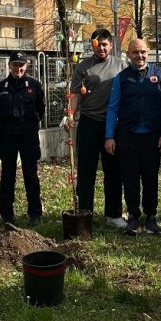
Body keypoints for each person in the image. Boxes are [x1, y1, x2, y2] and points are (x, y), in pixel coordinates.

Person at [104, 38, 161, 235]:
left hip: (152, 136)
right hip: (127, 136)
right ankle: (133, 216)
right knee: (130, 178)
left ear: (148, 52)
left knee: (150, 178)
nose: (139, 56)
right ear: (128, 54)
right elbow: (112, 107)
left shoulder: (160, 75)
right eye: (135, 52)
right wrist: (109, 136)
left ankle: (151, 217)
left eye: (142, 52)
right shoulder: (121, 78)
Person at [64, 29, 127, 227]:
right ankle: (85, 212)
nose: (101, 47)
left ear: (111, 45)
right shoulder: (83, 67)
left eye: (105, 44)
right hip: (89, 123)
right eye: (98, 44)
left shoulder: (121, 65)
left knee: (113, 170)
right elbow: (74, 95)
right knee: (86, 171)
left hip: (113, 125)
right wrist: (70, 115)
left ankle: (114, 214)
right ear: (92, 45)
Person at [0, 51, 45, 225]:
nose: (18, 68)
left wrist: (31, 123)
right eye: (15, 64)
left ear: (26, 66)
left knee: (31, 174)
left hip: (28, 135)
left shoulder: (35, 86)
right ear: (9, 65)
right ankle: (7, 215)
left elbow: (41, 108)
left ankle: (35, 213)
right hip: (7, 136)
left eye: (21, 65)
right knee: (7, 175)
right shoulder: (1, 87)